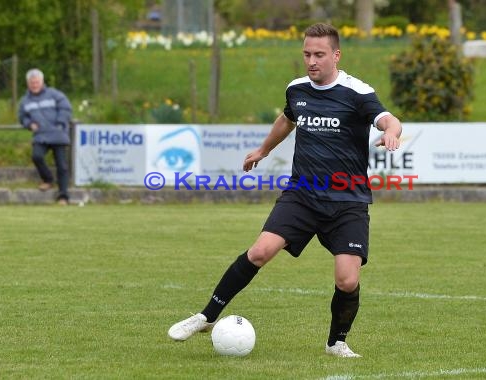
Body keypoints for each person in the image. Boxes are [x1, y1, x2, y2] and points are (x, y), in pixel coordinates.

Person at [168, 23, 402, 357]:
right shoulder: (297, 89)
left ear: (336, 55)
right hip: (302, 195)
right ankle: (206, 316)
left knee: (347, 280)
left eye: (319, 54)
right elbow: (287, 119)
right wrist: (264, 150)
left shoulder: (357, 93)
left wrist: (392, 132)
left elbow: (388, 120)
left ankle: (337, 342)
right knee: (260, 251)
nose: (311, 61)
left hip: (347, 199)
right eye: (307, 54)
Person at [18, 68, 73, 205]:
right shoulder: (25, 101)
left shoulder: (55, 94)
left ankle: (63, 196)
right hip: (41, 136)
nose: (34, 85)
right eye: (32, 83)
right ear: (28, 84)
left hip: (58, 134)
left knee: (62, 166)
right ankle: (48, 180)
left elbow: (66, 109)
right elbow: (22, 118)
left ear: (42, 82)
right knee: (36, 156)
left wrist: (60, 123)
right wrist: (29, 124)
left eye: (36, 82)